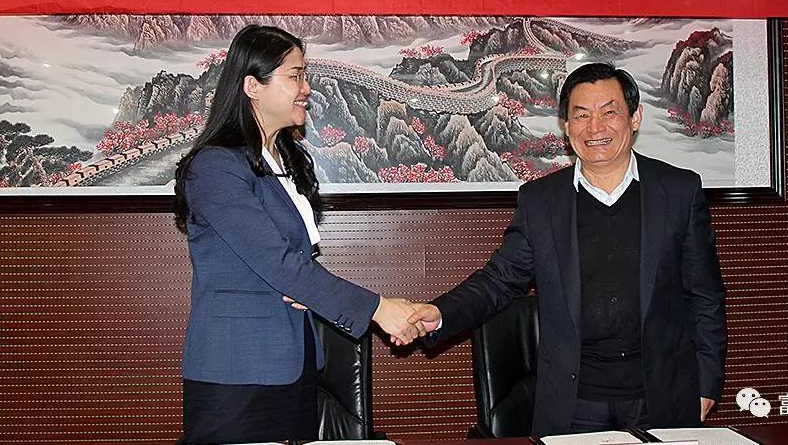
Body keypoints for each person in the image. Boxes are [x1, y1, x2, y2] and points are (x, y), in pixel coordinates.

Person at [408, 62, 727, 435]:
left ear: (635, 118)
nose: (595, 128)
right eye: (581, 115)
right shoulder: (541, 201)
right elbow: (499, 280)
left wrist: (707, 383)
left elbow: (705, 296)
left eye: (609, 113)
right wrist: (439, 313)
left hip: (663, 395)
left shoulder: (678, 191)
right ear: (566, 126)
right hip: (575, 402)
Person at [173, 25, 423, 444]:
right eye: (295, 76)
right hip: (238, 370)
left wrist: (311, 291)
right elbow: (277, 262)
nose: (306, 88)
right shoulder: (216, 167)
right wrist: (378, 309)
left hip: (295, 360)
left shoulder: (284, 160)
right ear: (252, 86)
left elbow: (294, 267)